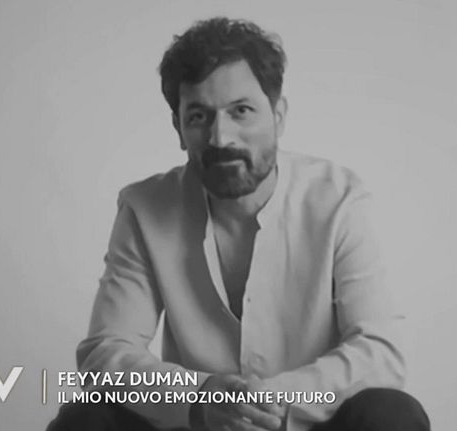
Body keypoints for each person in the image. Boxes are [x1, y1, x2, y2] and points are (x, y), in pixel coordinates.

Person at [47, 17, 430, 431]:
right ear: (179, 128)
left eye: (241, 111)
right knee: (85, 420)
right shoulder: (145, 208)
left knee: (393, 415)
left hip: (306, 421)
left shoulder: (337, 199)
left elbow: (380, 352)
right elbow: (106, 354)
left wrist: (272, 401)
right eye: (199, 116)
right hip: (199, 422)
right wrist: (200, 397)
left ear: (278, 116)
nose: (221, 137)